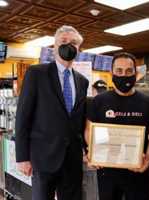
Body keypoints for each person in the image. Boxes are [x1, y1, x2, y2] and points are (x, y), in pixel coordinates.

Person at [15, 25, 89, 200]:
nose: (68, 45)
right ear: (54, 46)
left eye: (73, 43)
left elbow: (80, 121)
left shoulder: (83, 81)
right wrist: (22, 157)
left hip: (72, 159)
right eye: (63, 41)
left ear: (78, 49)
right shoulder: (36, 73)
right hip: (43, 157)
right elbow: (23, 116)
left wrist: (88, 150)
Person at [85, 52, 149, 200]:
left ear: (136, 73)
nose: (124, 75)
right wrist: (94, 152)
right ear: (111, 72)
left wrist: (148, 158)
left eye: (129, 71)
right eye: (119, 71)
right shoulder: (99, 101)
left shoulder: (148, 102)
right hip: (107, 170)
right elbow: (89, 130)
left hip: (137, 169)